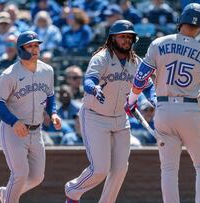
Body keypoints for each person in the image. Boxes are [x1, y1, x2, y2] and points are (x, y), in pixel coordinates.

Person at [124, 3, 200, 203]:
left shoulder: (159, 43)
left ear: (180, 20)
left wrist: (131, 101)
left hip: (164, 109)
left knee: (168, 168)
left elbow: (141, 78)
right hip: (190, 108)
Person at [64, 19, 156, 203]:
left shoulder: (135, 62)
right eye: (122, 36)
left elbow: (148, 86)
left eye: (129, 37)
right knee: (100, 169)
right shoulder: (101, 57)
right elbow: (89, 80)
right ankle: (72, 190)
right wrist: (93, 88)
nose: (126, 40)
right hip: (95, 116)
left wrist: (154, 99)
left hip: (121, 119)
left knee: (120, 169)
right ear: (112, 38)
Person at [0, 31, 62, 203]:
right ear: (21, 49)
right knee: (20, 174)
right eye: (30, 46)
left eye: (36, 45)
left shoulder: (47, 70)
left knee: (37, 177)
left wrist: (53, 113)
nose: (34, 49)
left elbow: (50, 96)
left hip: (36, 131)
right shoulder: (9, 74)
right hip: (13, 131)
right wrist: (13, 122)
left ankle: (6, 194)